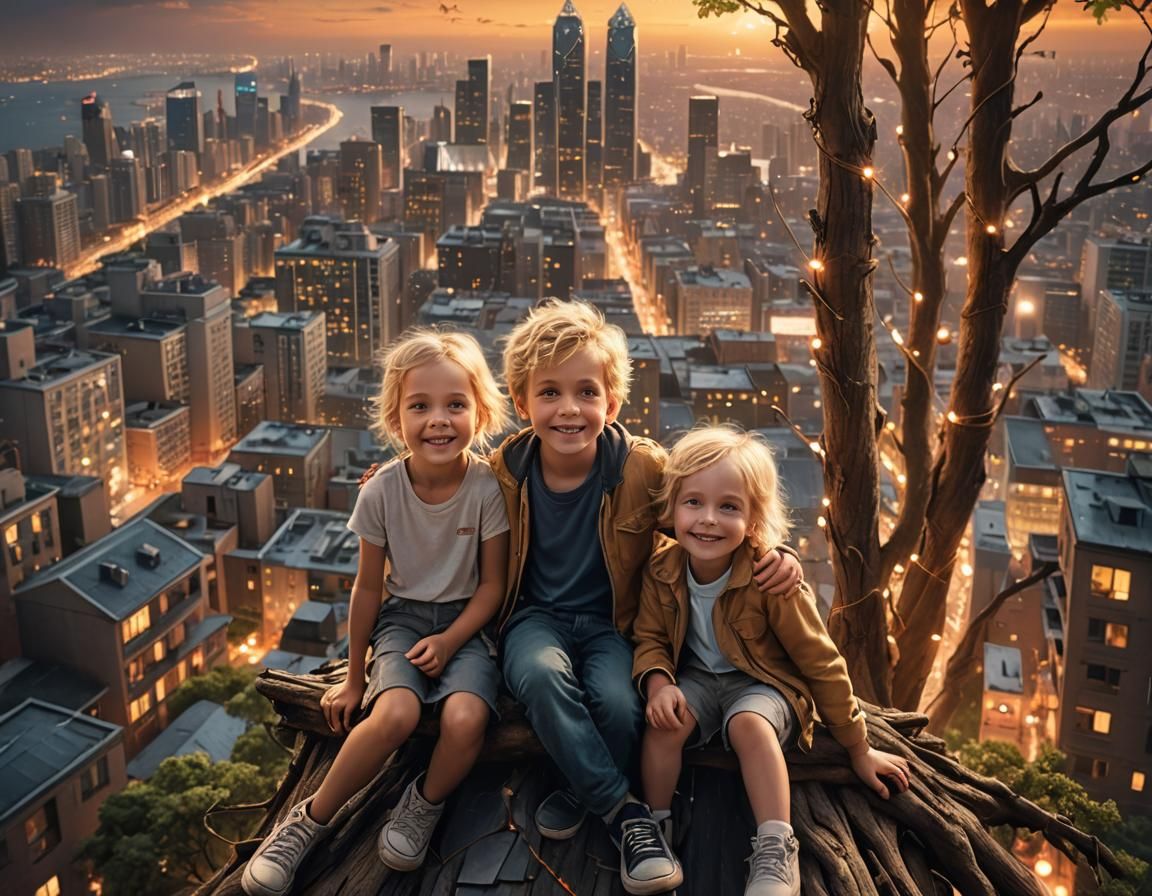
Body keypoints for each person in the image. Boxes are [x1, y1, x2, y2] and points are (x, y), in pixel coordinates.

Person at [490, 301, 805, 896]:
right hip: (535, 618)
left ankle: (576, 789)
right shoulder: (506, 467)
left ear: (612, 402)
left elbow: (707, 508)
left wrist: (776, 551)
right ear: (521, 399)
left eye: (586, 392)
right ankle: (626, 813)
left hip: (615, 624)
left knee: (620, 704)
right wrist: (391, 477)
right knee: (539, 676)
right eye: (549, 393)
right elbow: (444, 483)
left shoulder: (643, 468)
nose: (568, 409)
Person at [242, 330, 512, 896]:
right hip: (404, 619)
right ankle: (306, 823)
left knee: (466, 720)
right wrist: (355, 676)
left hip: (469, 625)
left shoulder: (488, 487)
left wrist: (453, 639)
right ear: (395, 418)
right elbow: (367, 589)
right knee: (393, 716)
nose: (438, 420)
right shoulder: (382, 491)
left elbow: (492, 587)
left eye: (455, 405)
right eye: (420, 406)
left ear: (481, 413)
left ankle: (424, 802)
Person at [633, 426, 912, 896]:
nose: (708, 520)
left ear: (754, 519)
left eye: (729, 507)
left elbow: (821, 661)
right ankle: (656, 830)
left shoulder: (771, 579)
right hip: (697, 680)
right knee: (664, 726)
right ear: (672, 507)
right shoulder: (662, 570)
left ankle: (775, 846)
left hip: (763, 684)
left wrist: (857, 747)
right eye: (693, 503)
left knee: (749, 726)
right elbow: (650, 637)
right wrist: (659, 682)